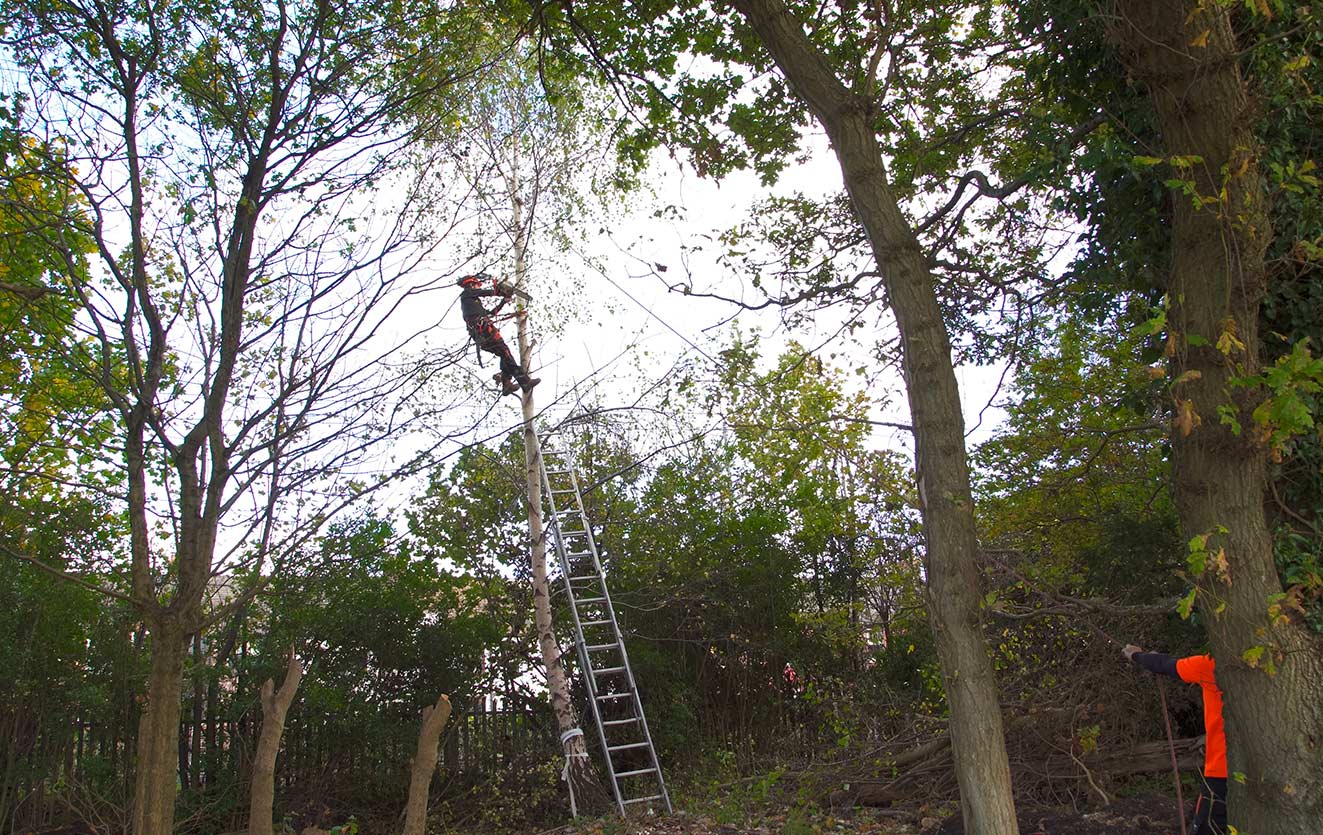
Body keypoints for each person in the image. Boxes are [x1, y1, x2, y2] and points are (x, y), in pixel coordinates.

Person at [1123, 643, 1227, 834]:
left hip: (1221, 772)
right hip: (1269, 773)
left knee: (1208, 827)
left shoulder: (1213, 665)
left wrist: (1138, 656)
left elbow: (1168, 665)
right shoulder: (1284, 670)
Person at [456, 273, 539, 396]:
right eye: (475, 285)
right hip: (484, 332)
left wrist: (503, 301)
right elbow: (485, 292)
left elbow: (491, 313)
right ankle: (524, 381)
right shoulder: (467, 294)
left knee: (504, 354)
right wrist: (499, 291)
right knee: (505, 352)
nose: (476, 287)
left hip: (482, 335)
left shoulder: (474, 303)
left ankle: (506, 384)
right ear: (471, 285)